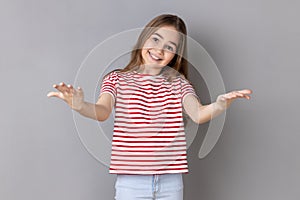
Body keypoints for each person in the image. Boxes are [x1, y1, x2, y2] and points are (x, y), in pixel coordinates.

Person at [47, 14, 252, 200]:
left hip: (171, 182)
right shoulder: (116, 79)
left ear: (176, 55)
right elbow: (102, 111)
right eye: (155, 39)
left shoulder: (179, 83)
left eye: (170, 47)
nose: (160, 50)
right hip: (131, 183)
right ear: (144, 38)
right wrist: (80, 105)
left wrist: (219, 104)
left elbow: (198, 114)